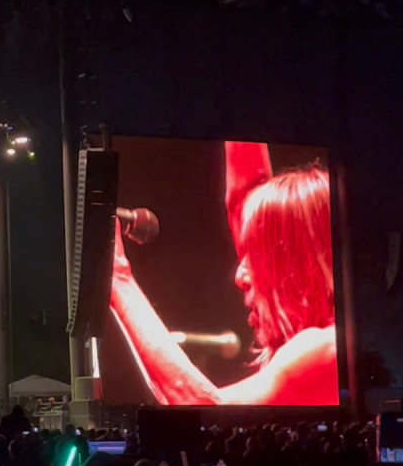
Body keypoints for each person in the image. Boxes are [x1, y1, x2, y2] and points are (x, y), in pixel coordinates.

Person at [110, 142, 337, 406]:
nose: (240, 276)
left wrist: (118, 277)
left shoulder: (325, 348)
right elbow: (244, 197)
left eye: (258, 256)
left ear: (301, 262)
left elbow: (203, 407)